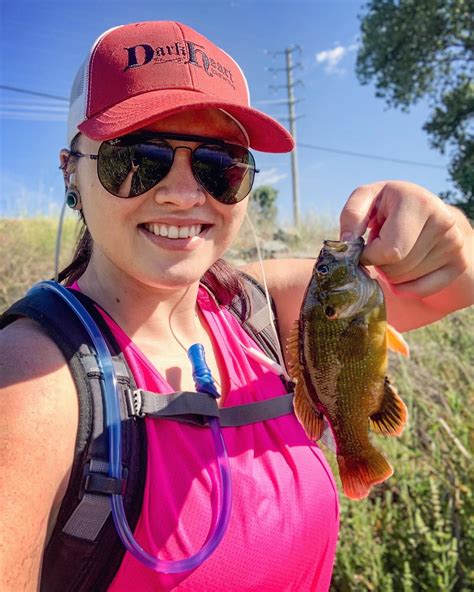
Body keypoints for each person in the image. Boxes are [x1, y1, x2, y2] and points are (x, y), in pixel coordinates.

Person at [0, 20, 472, 592]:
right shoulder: (28, 384)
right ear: (71, 171)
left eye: (219, 164)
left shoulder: (261, 307)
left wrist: (449, 234)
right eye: (138, 159)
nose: (184, 193)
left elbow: (454, 286)